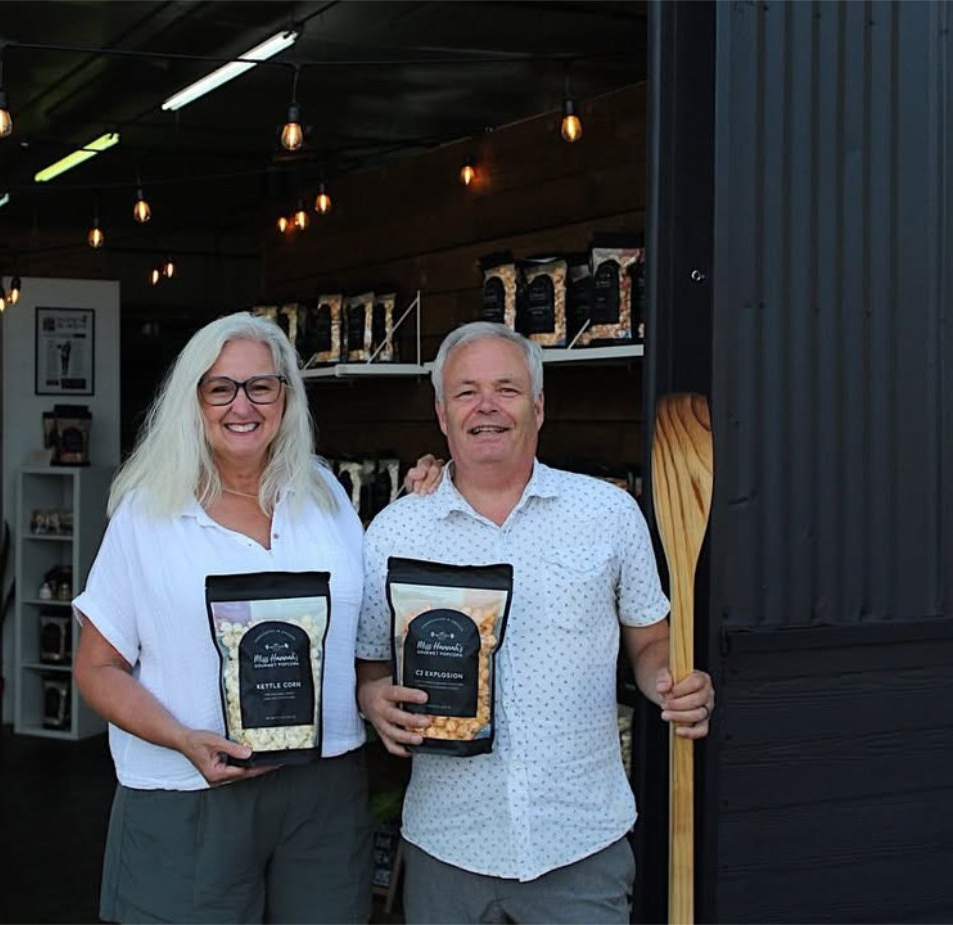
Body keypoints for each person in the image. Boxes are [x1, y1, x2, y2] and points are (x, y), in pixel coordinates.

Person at [71, 311, 438, 924]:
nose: (242, 406)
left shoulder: (325, 495)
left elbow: (357, 635)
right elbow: (97, 668)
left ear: (285, 397)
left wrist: (433, 496)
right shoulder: (148, 512)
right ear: (193, 400)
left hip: (323, 785)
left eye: (260, 386)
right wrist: (182, 739)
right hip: (191, 791)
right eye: (221, 388)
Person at [355, 321, 715, 925]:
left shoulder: (608, 513)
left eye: (507, 389)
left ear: (539, 407)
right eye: (466, 392)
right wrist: (372, 699)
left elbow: (651, 639)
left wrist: (671, 682)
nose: (487, 406)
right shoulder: (395, 531)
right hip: (448, 846)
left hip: (580, 844)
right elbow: (370, 664)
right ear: (442, 414)